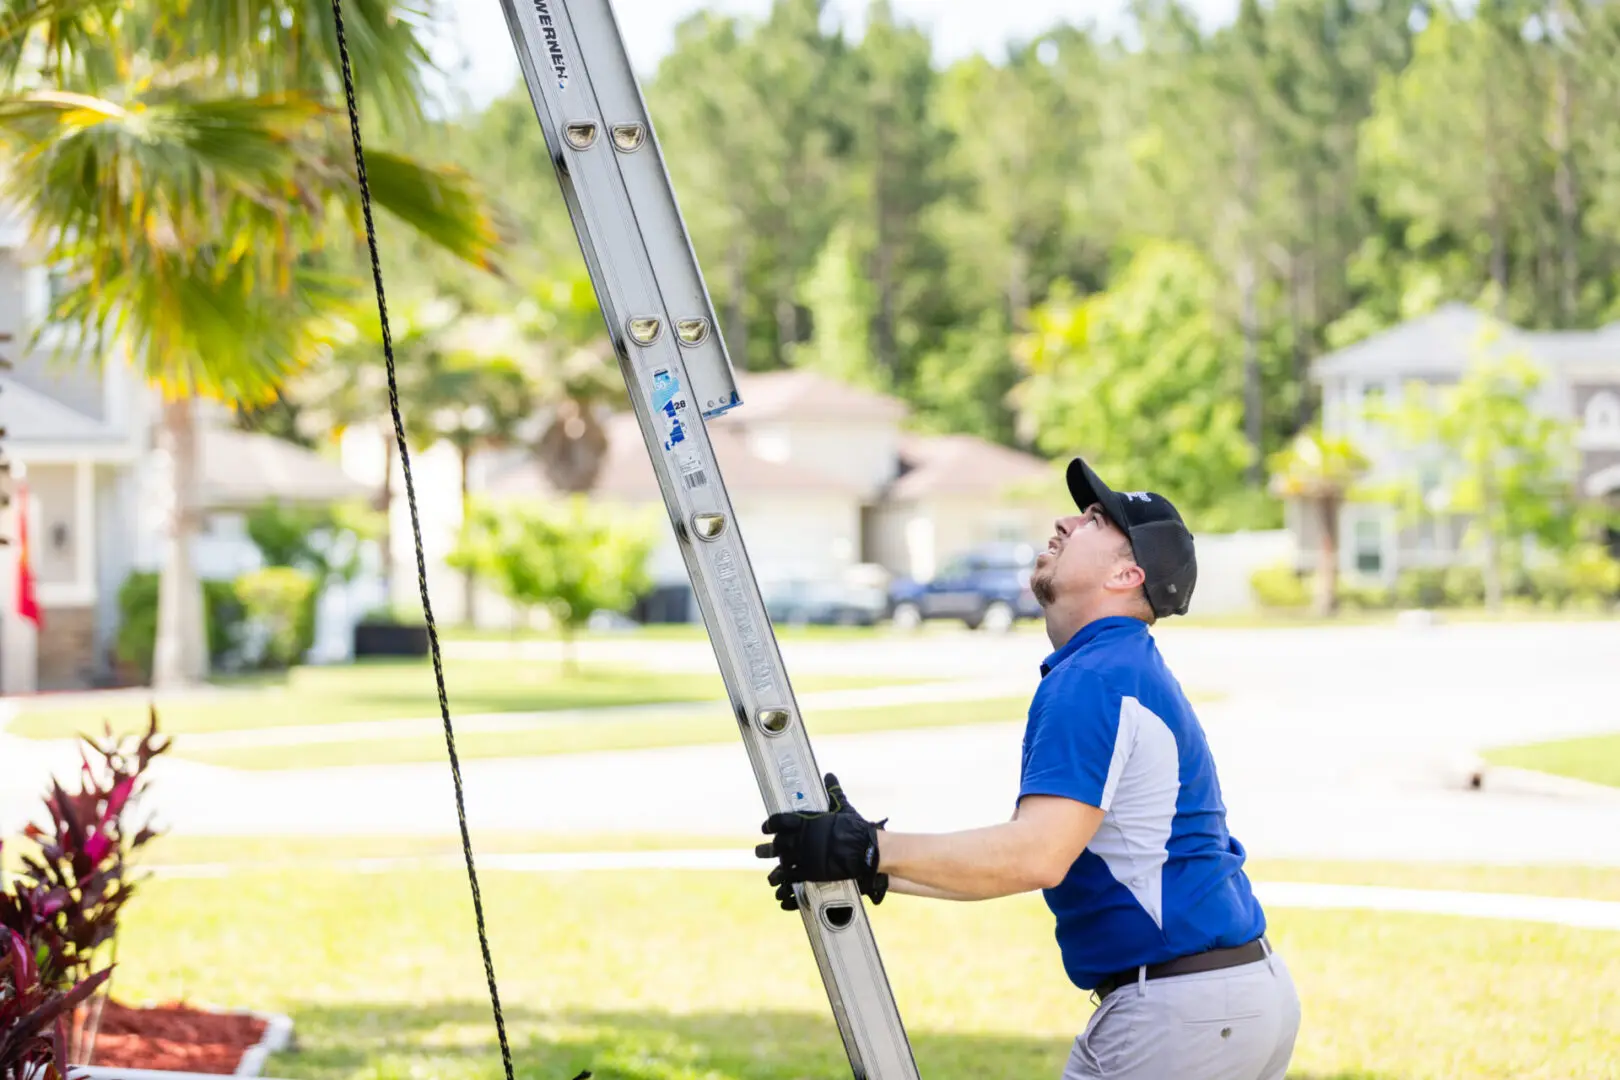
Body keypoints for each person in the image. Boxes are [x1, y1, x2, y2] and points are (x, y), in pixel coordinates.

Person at [755, 457, 1302, 1080]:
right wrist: (876, 864)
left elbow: (1035, 855)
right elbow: (1046, 854)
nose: (1067, 521)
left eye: (1096, 520)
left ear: (1128, 573)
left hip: (1183, 1015)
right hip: (1234, 998)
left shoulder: (1095, 677)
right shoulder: (1123, 668)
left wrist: (871, 849)